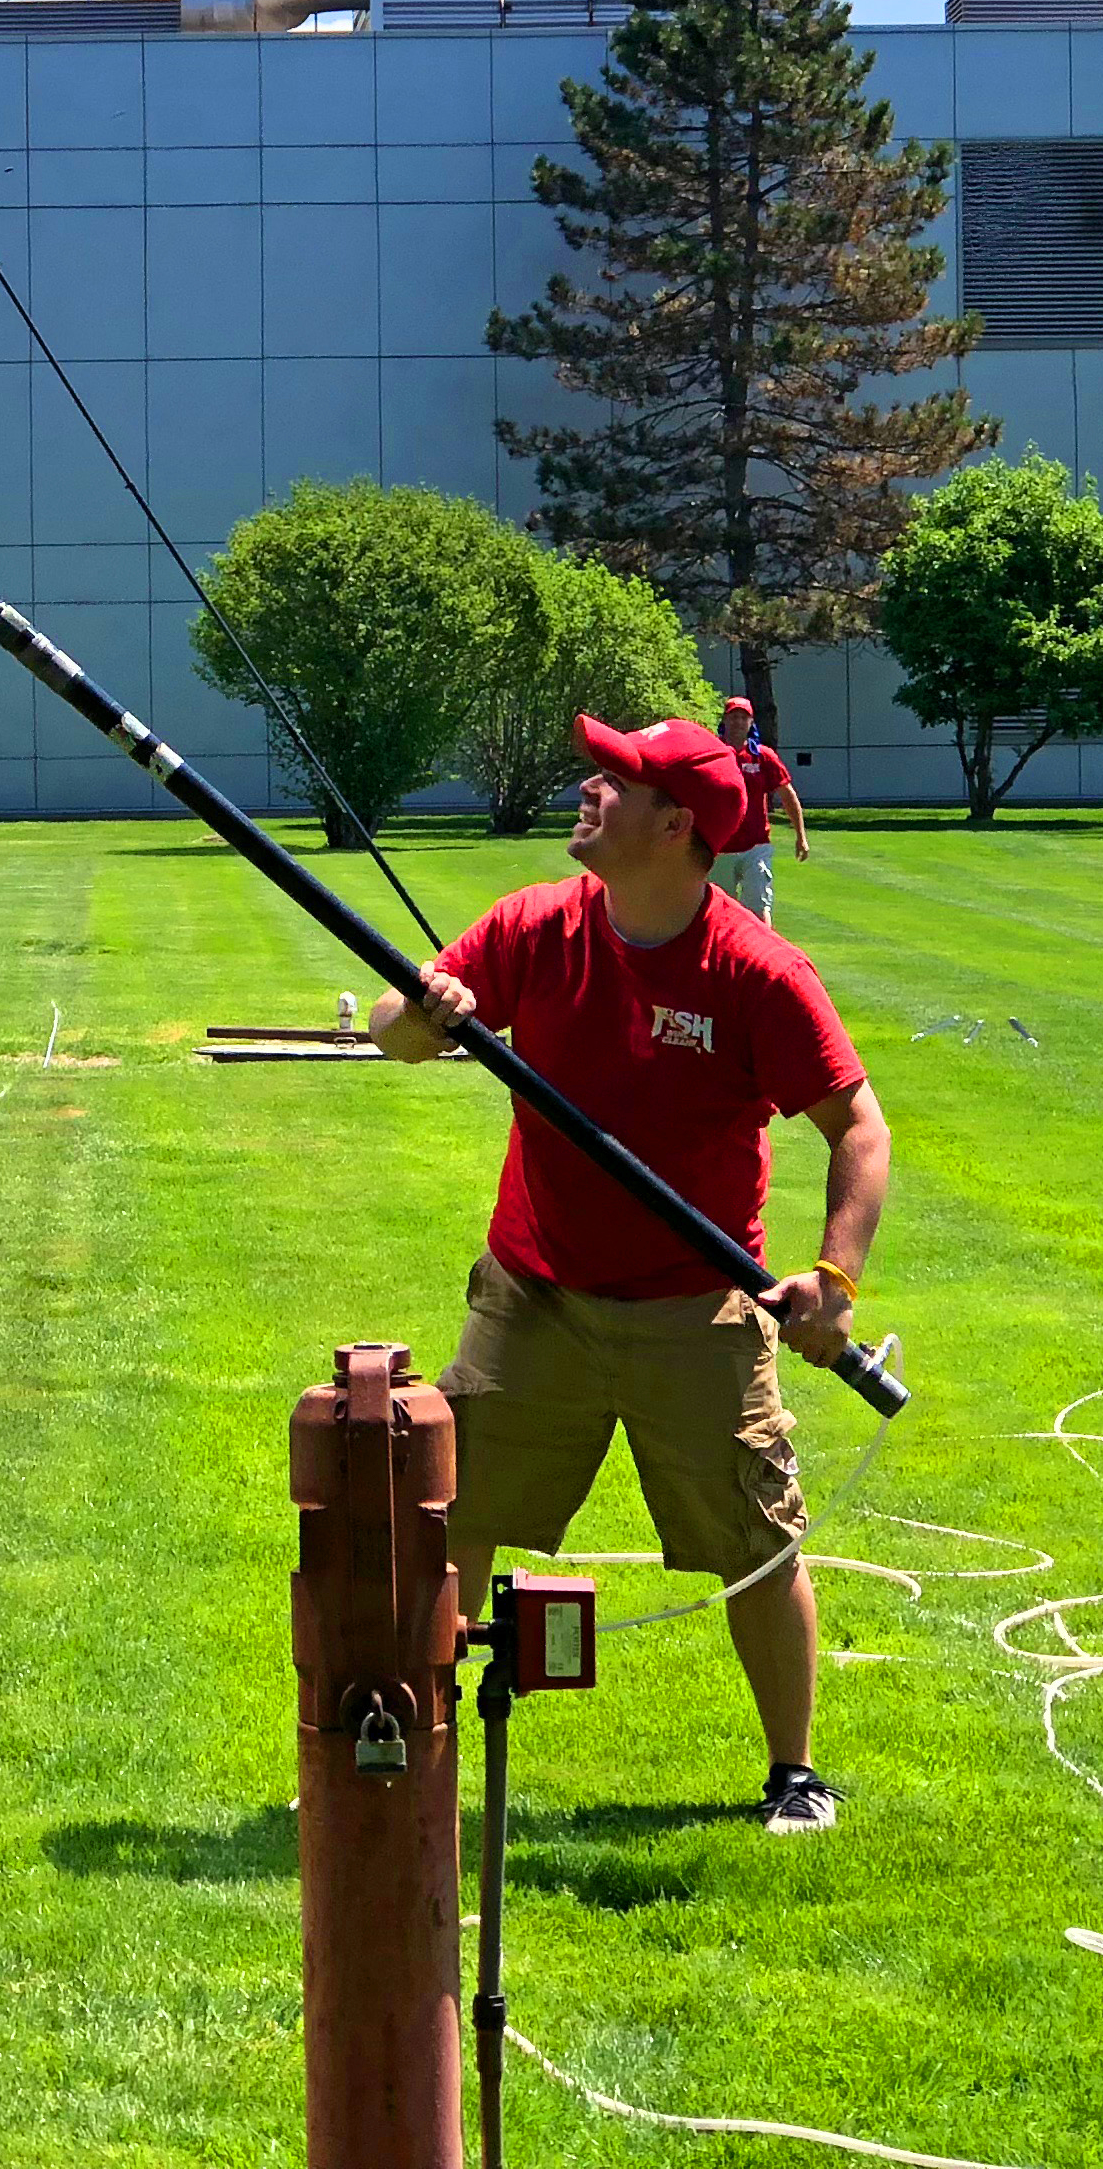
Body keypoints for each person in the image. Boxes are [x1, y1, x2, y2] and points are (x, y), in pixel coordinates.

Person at [371, 713, 889, 1835]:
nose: (587, 788)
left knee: (753, 1541)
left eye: (616, 781)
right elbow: (389, 1034)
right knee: (449, 1512)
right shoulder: (534, 925)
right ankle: (414, 1742)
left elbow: (857, 1126)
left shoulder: (754, 972)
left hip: (693, 1309)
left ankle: (791, 1775)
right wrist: (423, 1012)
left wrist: (831, 1281)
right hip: (532, 1291)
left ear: (676, 826)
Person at [711, 693, 809, 926]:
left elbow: (788, 795)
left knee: (759, 907)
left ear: (751, 723)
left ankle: (761, 960)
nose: (737, 722)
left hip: (756, 845)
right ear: (725, 720)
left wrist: (800, 836)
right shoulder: (712, 754)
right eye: (733, 717)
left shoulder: (762, 757)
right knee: (719, 912)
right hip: (720, 846)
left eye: (743, 718)